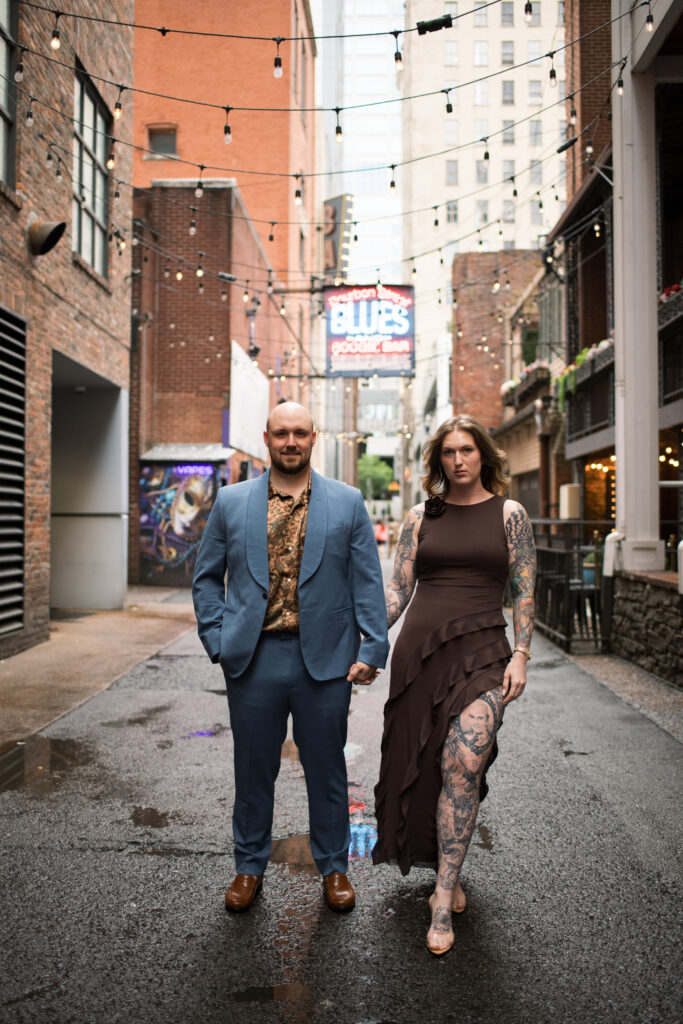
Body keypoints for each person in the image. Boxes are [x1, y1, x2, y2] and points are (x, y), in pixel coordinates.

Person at [193, 402, 389, 914]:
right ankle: (248, 867)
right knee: (253, 770)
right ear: (267, 438)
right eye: (282, 433)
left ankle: (335, 868)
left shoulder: (346, 502)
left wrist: (372, 647)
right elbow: (207, 577)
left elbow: (366, 580)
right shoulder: (233, 501)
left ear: (313, 438)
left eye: (300, 433)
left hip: (323, 662)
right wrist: (217, 638)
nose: (291, 442)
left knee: (326, 770)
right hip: (253, 658)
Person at [372, 414, 535, 955]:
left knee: (465, 761)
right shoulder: (420, 517)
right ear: (438, 460)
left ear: (483, 455)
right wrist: (367, 645)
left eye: (467, 450)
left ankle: (442, 895)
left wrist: (522, 654)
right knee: (427, 770)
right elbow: (396, 591)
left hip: (485, 652)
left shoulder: (510, 514)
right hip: (421, 652)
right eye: (448, 452)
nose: (458, 459)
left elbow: (524, 592)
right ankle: (450, 870)